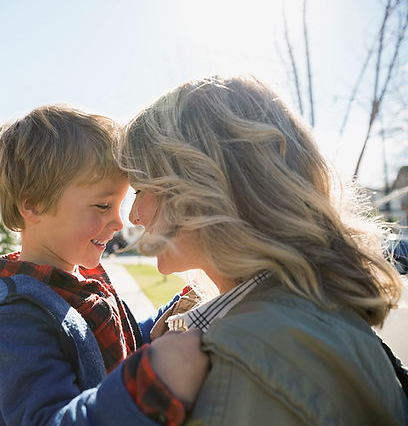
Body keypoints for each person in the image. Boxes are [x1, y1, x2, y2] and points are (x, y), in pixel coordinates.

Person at [118, 75, 408, 425]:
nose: (133, 215)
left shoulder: (252, 362)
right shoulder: (296, 316)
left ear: (199, 185)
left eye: (140, 188)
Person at [0, 105, 209, 426]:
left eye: (119, 205)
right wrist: (151, 386)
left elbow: (119, 347)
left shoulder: (80, 278)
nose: (119, 222)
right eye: (103, 205)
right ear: (33, 203)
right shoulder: (13, 321)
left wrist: (176, 310)